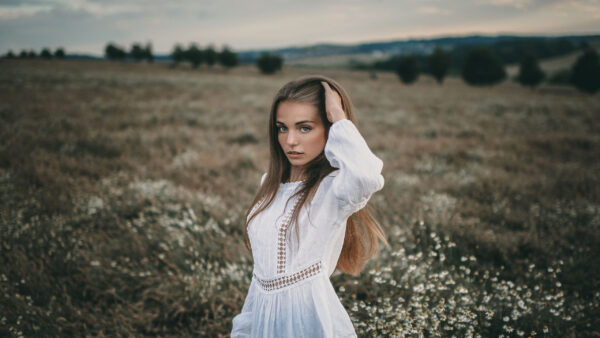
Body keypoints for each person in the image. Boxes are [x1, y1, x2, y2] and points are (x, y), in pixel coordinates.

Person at [231, 75, 388, 337]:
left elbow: (366, 176)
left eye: (304, 128)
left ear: (329, 130)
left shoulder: (333, 188)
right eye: (282, 128)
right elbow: (260, 278)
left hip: (307, 323)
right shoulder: (268, 185)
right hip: (263, 321)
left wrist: (338, 115)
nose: (290, 140)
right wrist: (245, 328)